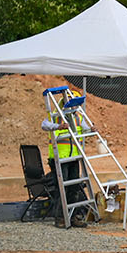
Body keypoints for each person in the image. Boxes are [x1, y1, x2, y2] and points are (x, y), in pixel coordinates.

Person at [43, 89, 89, 227]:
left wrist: (92, 129)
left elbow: (85, 128)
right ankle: (60, 218)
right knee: (61, 188)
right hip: (60, 158)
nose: (73, 107)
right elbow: (44, 125)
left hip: (74, 157)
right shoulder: (56, 116)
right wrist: (58, 126)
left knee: (74, 187)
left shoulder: (78, 117)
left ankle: (73, 216)